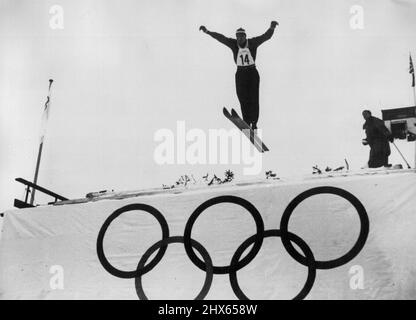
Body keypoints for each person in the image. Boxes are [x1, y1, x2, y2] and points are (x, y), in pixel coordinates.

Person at [199, 21, 278, 130]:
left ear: (245, 37)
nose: (239, 39)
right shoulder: (233, 43)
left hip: (252, 73)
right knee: (242, 97)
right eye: (238, 37)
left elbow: (266, 37)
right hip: (240, 74)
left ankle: (254, 123)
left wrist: (272, 27)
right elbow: (220, 38)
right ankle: (246, 121)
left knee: (253, 98)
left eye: (241, 37)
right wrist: (207, 31)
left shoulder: (253, 42)